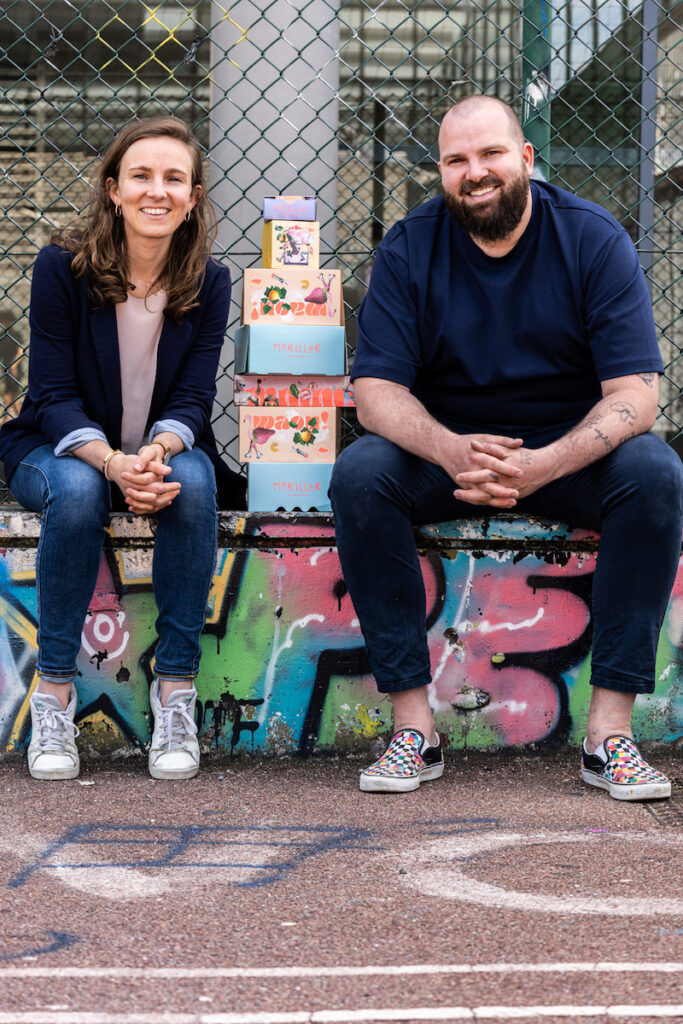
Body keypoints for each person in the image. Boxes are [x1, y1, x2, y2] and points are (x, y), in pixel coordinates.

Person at [330, 95, 683, 800]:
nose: (475, 172)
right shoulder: (409, 244)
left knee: (653, 471)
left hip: (566, 454)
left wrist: (542, 464)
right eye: (456, 160)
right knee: (360, 473)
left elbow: (636, 394)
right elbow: (374, 393)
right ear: (440, 172)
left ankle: (607, 736)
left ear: (524, 158)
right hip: (448, 453)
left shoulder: (590, 237)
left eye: (490, 154)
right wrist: (451, 449)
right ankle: (413, 730)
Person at [0, 116, 244, 781]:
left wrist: (157, 453)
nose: (156, 191)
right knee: (78, 494)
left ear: (193, 197)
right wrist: (112, 462)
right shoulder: (62, 266)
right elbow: (50, 395)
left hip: (156, 453)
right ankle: (53, 692)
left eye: (174, 178)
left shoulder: (210, 280)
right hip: (60, 450)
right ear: (114, 189)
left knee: (194, 485)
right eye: (140, 176)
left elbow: (194, 400)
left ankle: (175, 690)